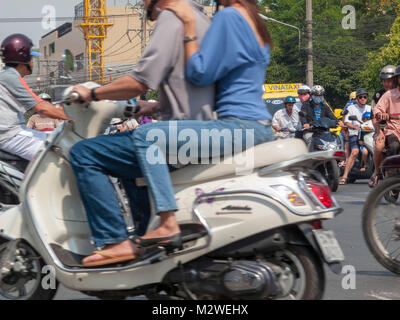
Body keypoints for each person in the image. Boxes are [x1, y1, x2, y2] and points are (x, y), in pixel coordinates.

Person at [69, 0, 275, 267]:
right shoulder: (244, 20)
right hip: (247, 123)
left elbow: (195, 75)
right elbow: (201, 85)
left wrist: (92, 92)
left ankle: (139, 231)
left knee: (98, 150)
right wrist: (157, 106)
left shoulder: (202, 18)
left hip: (235, 125)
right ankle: (146, 239)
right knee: (130, 162)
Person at [0, 34, 70, 160]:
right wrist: (70, 117)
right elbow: (42, 107)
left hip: (11, 132)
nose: (33, 62)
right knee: (58, 153)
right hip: (10, 135)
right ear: (24, 60)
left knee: (54, 138)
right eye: (32, 58)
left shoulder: (8, 76)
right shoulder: (12, 78)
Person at [370, 65, 400, 187]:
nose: (386, 84)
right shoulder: (383, 95)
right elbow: (375, 114)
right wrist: (379, 131)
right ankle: (377, 172)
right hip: (386, 128)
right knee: (380, 145)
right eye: (384, 81)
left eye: (389, 81)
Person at [339, 88, 372, 185]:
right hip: (355, 135)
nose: (363, 99)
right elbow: (346, 122)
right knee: (355, 151)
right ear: (357, 98)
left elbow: (375, 120)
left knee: (380, 148)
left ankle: (382, 174)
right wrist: (354, 127)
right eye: (360, 97)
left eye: (365, 97)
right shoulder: (351, 108)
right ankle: (344, 176)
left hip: (369, 134)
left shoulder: (370, 108)